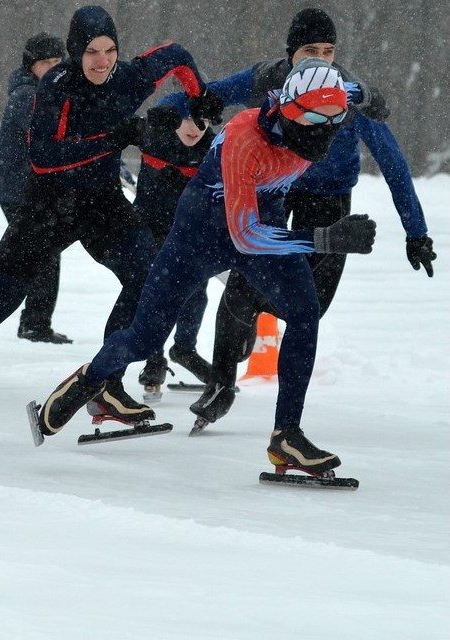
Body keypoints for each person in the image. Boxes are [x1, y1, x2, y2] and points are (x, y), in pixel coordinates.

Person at [0, 6, 220, 442]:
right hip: (48, 208)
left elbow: (175, 53)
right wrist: (116, 138)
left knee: (149, 277)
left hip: (101, 205)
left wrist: (199, 95)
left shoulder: (131, 77)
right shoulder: (56, 87)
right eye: (92, 52)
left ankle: (105, 385)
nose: (102, 61)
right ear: (75, 52)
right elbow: (45, 159)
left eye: (110, 50)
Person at [32, 58, 376, 477]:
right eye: (311, 119)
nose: (323, 128)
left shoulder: (330, 103)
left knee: (305, 314)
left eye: (335, 118)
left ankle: (286, 435)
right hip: (201, 233)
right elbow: (244, 236)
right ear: (287, 110)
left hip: (258, 222)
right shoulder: (244, 138)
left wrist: (373, 99)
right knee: (144, 338)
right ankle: (91, 378)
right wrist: (323, 239)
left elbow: (357, 96)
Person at [156, 8, 436, 427]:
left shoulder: (345, 92)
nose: (319, 60)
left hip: (327, 195)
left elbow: (392, 160)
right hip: (276, 189)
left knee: (311, 305)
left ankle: (252, 306)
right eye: (309, 50)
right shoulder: (268, 78)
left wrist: (416, 231)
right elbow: (210, 93)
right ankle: (222, 379)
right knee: (243, 273)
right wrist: (166, 108)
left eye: (328, 51)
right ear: (291, 54)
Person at [0, 33, 72, 344]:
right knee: (43, 250)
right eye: (45, 63)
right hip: (18, 187)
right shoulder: (27, 95)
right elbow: (53, 135)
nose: (52, 68)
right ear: (31, 66)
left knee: (40, 250)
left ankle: (34, 320)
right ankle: (33, 322)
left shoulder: (50, 91)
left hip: (30, 186)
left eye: (56, 62)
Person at [131, 113, 216, 397]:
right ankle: (154, 359)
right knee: (158, 294)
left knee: (196, 293)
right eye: (189, 121)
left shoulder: (214, 147)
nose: (195, 129)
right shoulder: (151, 132)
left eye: (202, 122)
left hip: (193, 231)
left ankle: (184, 349)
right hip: (150, 229)